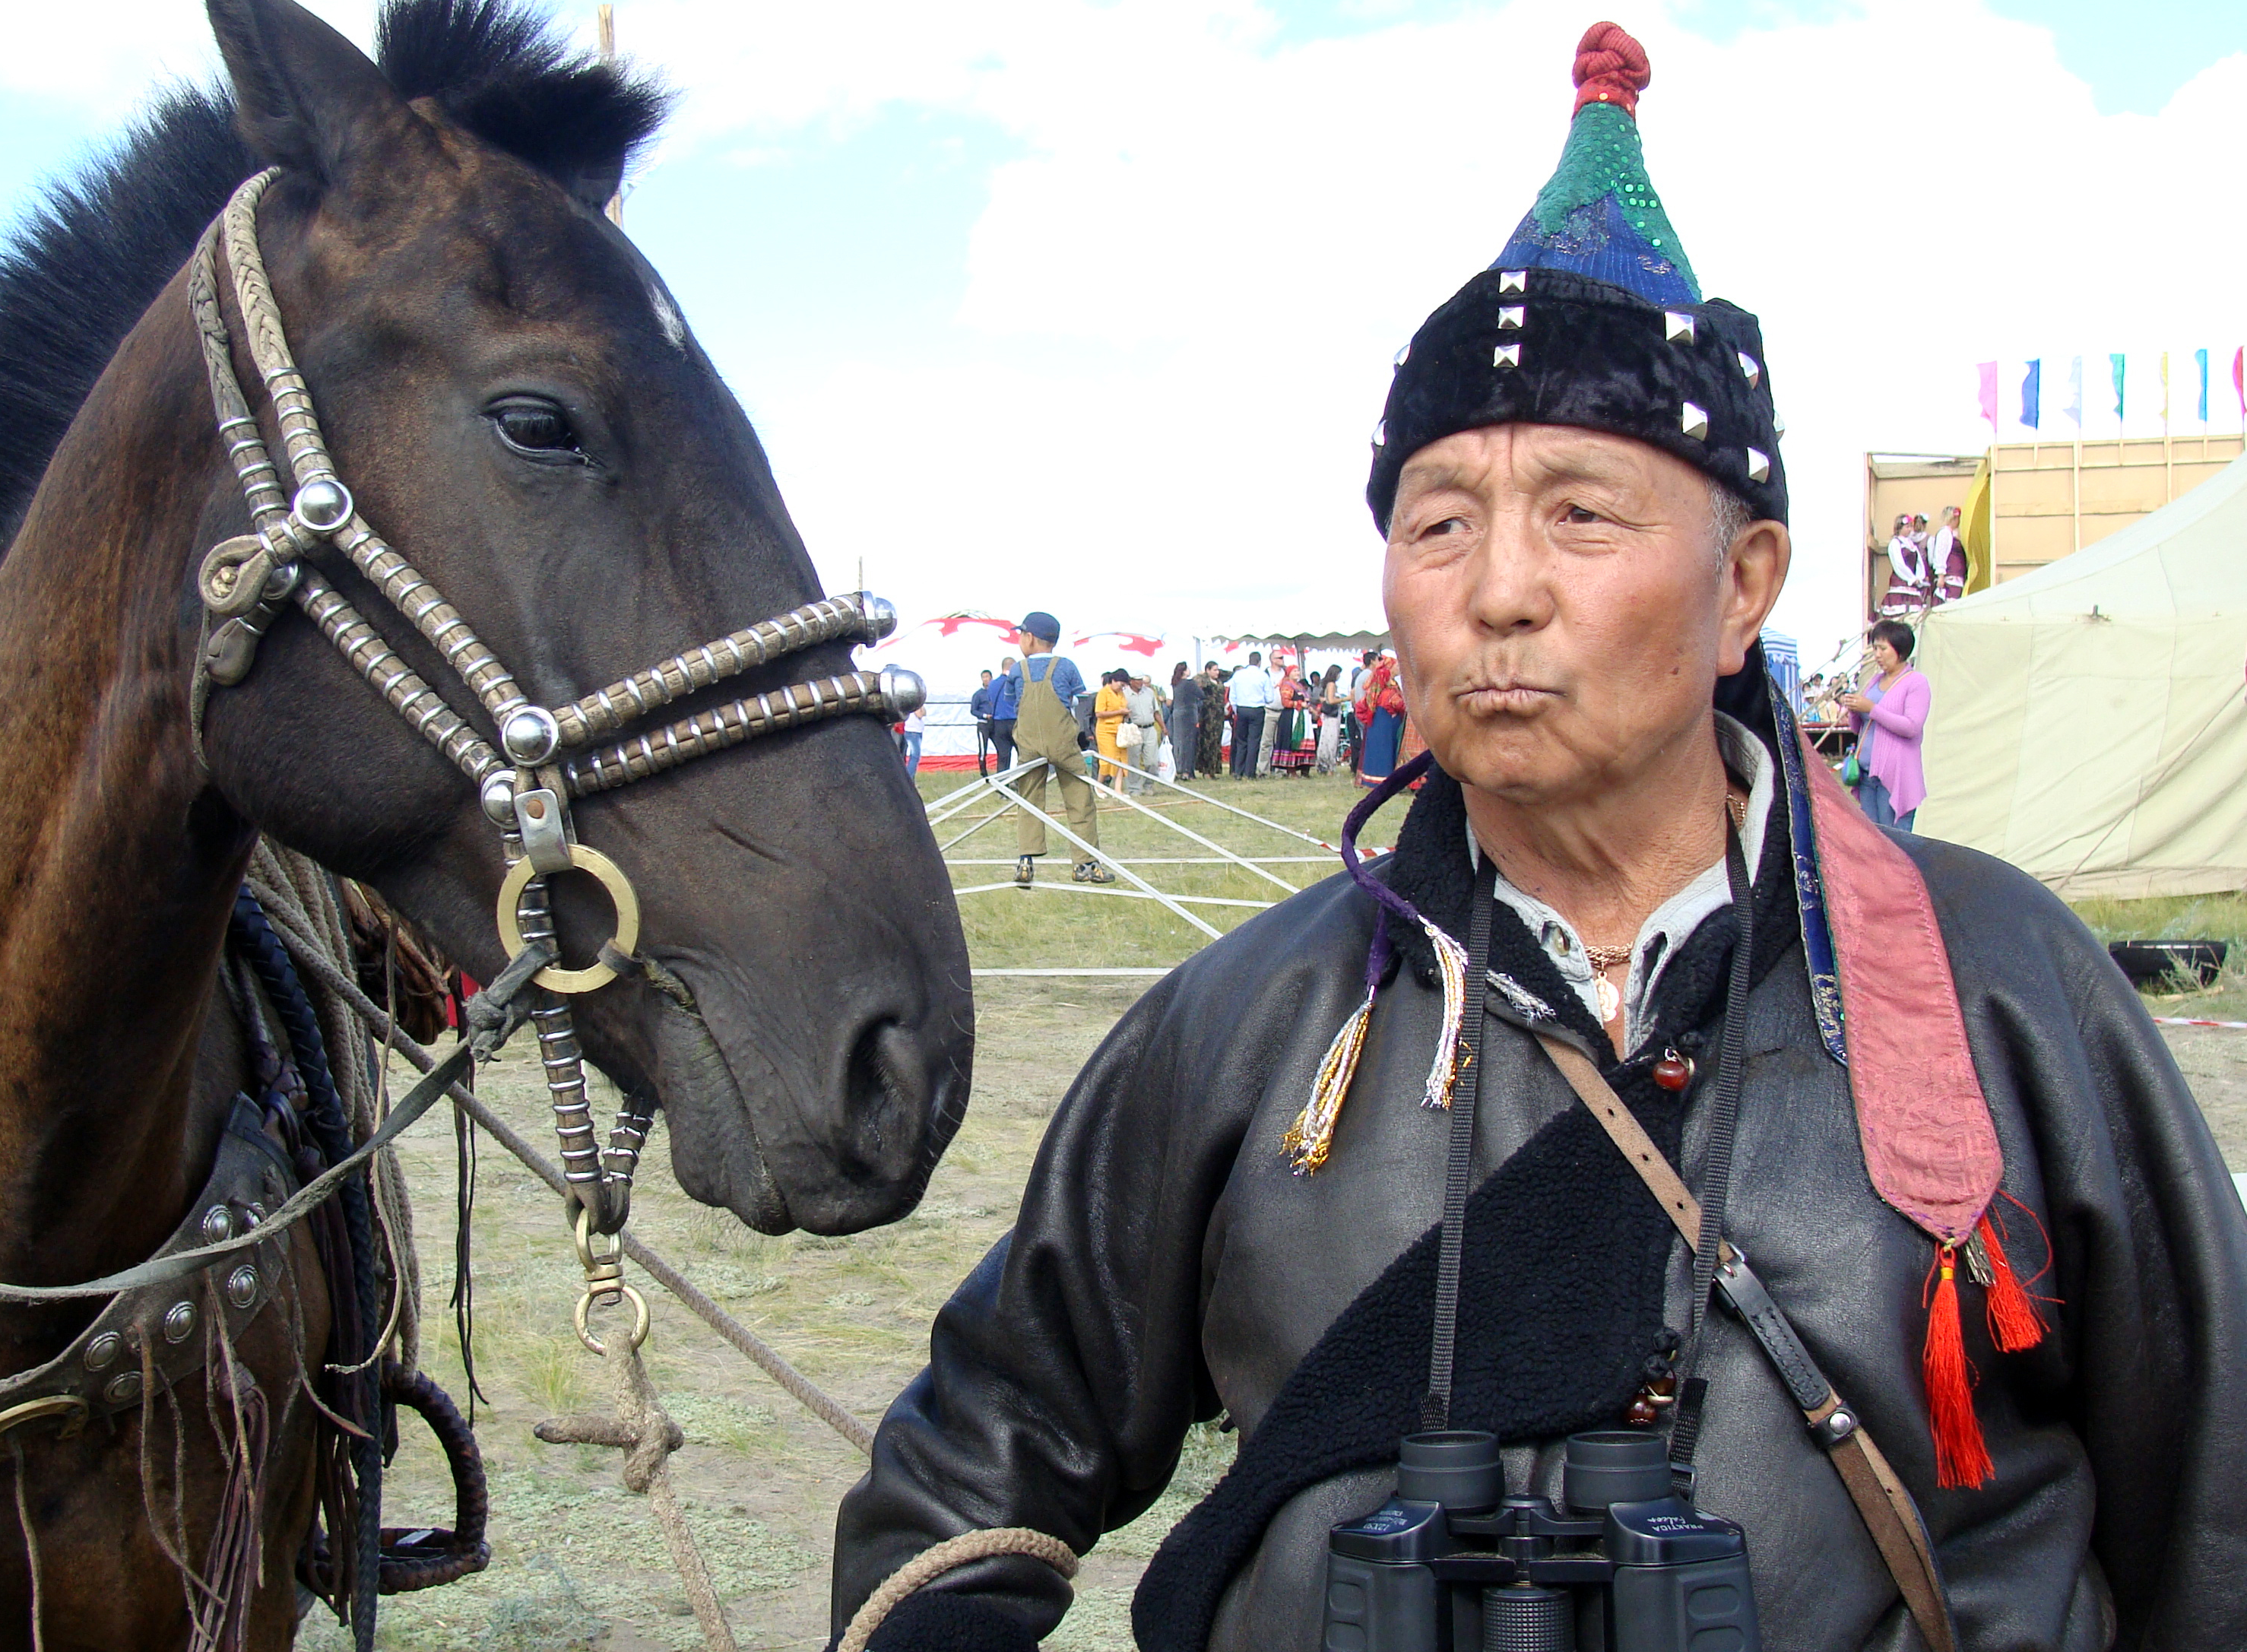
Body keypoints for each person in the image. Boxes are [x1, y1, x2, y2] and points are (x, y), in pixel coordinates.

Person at [830, 28, 2247, 1652]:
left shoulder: (1998, 986)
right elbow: (976, 1456)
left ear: (1747, 584)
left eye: (1582, 513)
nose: (1495, 588)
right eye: (1438, 522)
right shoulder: (1247, 1028)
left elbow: (2217, 1507)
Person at [994, 613, 1108, 886]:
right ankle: (1085, 863)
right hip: (1063, 742)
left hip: (1029, 744)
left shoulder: (1017, 670)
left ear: (1029, 638)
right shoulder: (1066, 666)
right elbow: (1078, 701)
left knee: (1029, 798)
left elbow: (1014, 704)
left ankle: (1026, 861)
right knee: (1080, 797)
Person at [1840, 619, 1930, 829]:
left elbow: (1911, 727)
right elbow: (1860, 728)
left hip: (1894, 776)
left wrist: (1871, 708)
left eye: (1882, 648)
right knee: (1874, 837)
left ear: (1899, 649)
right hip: (1867, 775)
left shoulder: (1916, 682)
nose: (1877, 655)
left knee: (1894, 841)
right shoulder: (1874, 680)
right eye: (1875, 648)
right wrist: (1854, 710)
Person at [1353, 652, 1406, 788]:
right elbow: (1399, 705)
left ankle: (1371, 778)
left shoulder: (1384, 689)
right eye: (1396, 665)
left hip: (1381, 722)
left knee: (1376, 749)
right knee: (1384, 749)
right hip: (1385, 724)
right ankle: (1382, 779)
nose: (1399, 668)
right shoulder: (1388, 692)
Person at [1228, 651, 1272, 778]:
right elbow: (1270, 698)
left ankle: (1238, 771)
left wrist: (1237, 709)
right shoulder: (1263, 676)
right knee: (1254, 741)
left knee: (1241, 741)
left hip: (1242, 709)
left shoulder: (1238, 675)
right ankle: (1250, 772)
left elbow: (1233, 696)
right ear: (1259, 662)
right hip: (1257, 709)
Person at [1127, 670, 1166, 796]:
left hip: (1150, 728)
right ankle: (1134, 788)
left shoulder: (1149, 693)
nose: (1140, 682)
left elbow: (1156, 712)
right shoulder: (1125, 694)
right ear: (1131, 681)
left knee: (1152, 761)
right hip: (1134, 729)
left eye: (1141, 680)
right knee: (1133, 760)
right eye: (1137, 680)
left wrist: (1163, 727)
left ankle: (1149, 784)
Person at [1095, 670, 1132, 797]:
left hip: (1120, 731)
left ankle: (1118, 790)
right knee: (1108, 759)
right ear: (1113, 681)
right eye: (1121, 685)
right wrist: (1119, 712)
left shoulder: (1121, 694)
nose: (1122, 688)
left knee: (1122, 759)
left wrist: (1126, 713)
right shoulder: (1103, 693)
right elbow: (1099, 713)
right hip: (1105, 731)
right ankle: (1099, 786)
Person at [1195, 667, 1229, 782]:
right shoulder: (1205, 682)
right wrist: (1205, 674)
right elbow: (1196, 681)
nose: (1217, 672)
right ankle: (1206, 770)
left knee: (1216, 743)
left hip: (1219, 715)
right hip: (1208, 715)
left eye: (1217, 670)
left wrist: (1218, 671)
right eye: (1214, 670)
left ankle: (1214, 770)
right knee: (1207, 743)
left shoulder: (1219, 681)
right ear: (1208, 670)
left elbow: (1229, 674)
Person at [1928, 504, 1968, 605]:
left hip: (1956, 576)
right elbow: (1940, 554)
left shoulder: (1953, 534)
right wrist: (1941, 575)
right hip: (1949, 577)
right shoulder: (1944, 533)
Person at [1169, 664, 1202, 781]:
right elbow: (1201, 695)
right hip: (1188, 714)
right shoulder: (1190, 683)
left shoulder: (1176, 684)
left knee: (1178, 742)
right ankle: (1187, 771)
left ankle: (1178, 768)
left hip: (1177, 714)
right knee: (1189, 743)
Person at [987, 656, 1019, 772]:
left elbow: (990, 701)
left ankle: (1002, 784)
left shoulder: (992, 684)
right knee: (1022, 754)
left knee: (1003, 755)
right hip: (1014, 721)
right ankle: (1020, 780)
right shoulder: (1016, 684)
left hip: (998, 723)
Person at [1314, 664, 1347, 773]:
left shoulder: (1327, 685)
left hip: (1328, 716)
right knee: (1331, 740)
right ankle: (1329, 766)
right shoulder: (1332, 685)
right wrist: (1345, 699)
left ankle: (1323, 764)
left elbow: (1324, 698)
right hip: (1333, 716)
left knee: (1326, 739)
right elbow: (1331, 700)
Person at [968, 668, 998, 777]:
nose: (986, 679)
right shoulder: (978, 694)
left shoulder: (995, 692)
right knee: (983, 749)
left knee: (1001, 747)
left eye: (987, 677)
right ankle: (983, 773)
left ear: (991, 678)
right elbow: (973, 710)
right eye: (984, 677)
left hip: (995, 724)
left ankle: (1001, 771)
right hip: (983, 725)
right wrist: (984, 715)